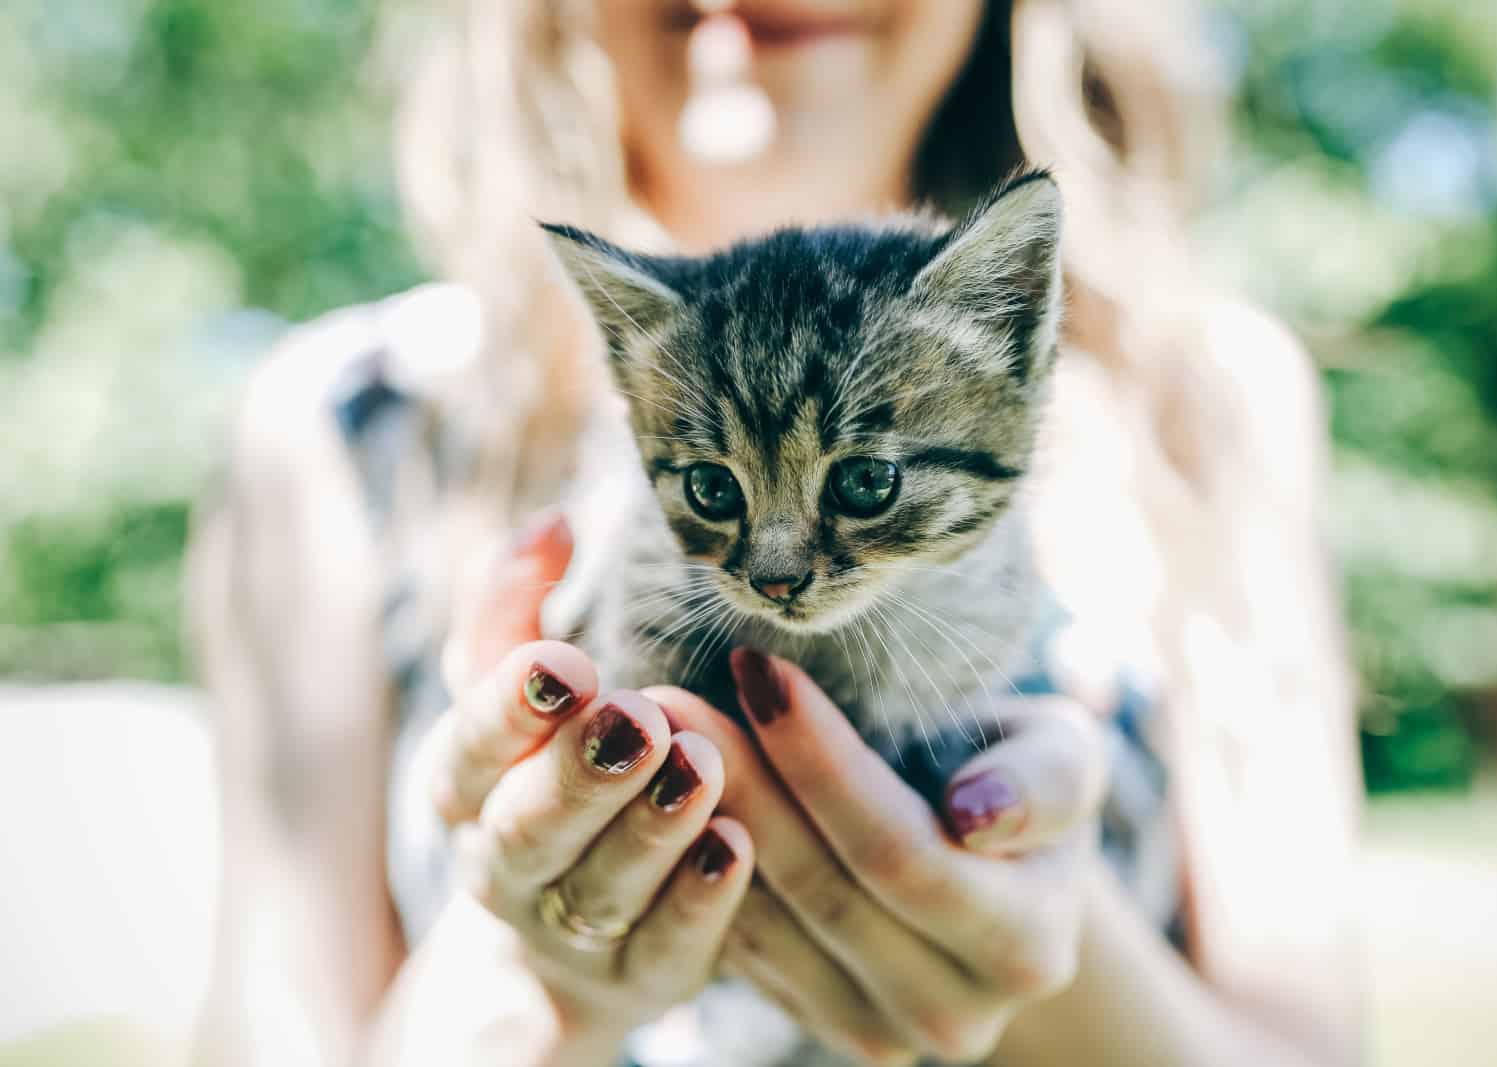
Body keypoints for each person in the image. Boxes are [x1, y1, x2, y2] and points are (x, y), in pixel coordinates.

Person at [186, 1, 1364, 1064]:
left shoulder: (1206, 409)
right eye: (709, 492)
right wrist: (533, 988)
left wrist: (1041, 963)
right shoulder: (344, 424)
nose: (777, 573)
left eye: (862, 485)